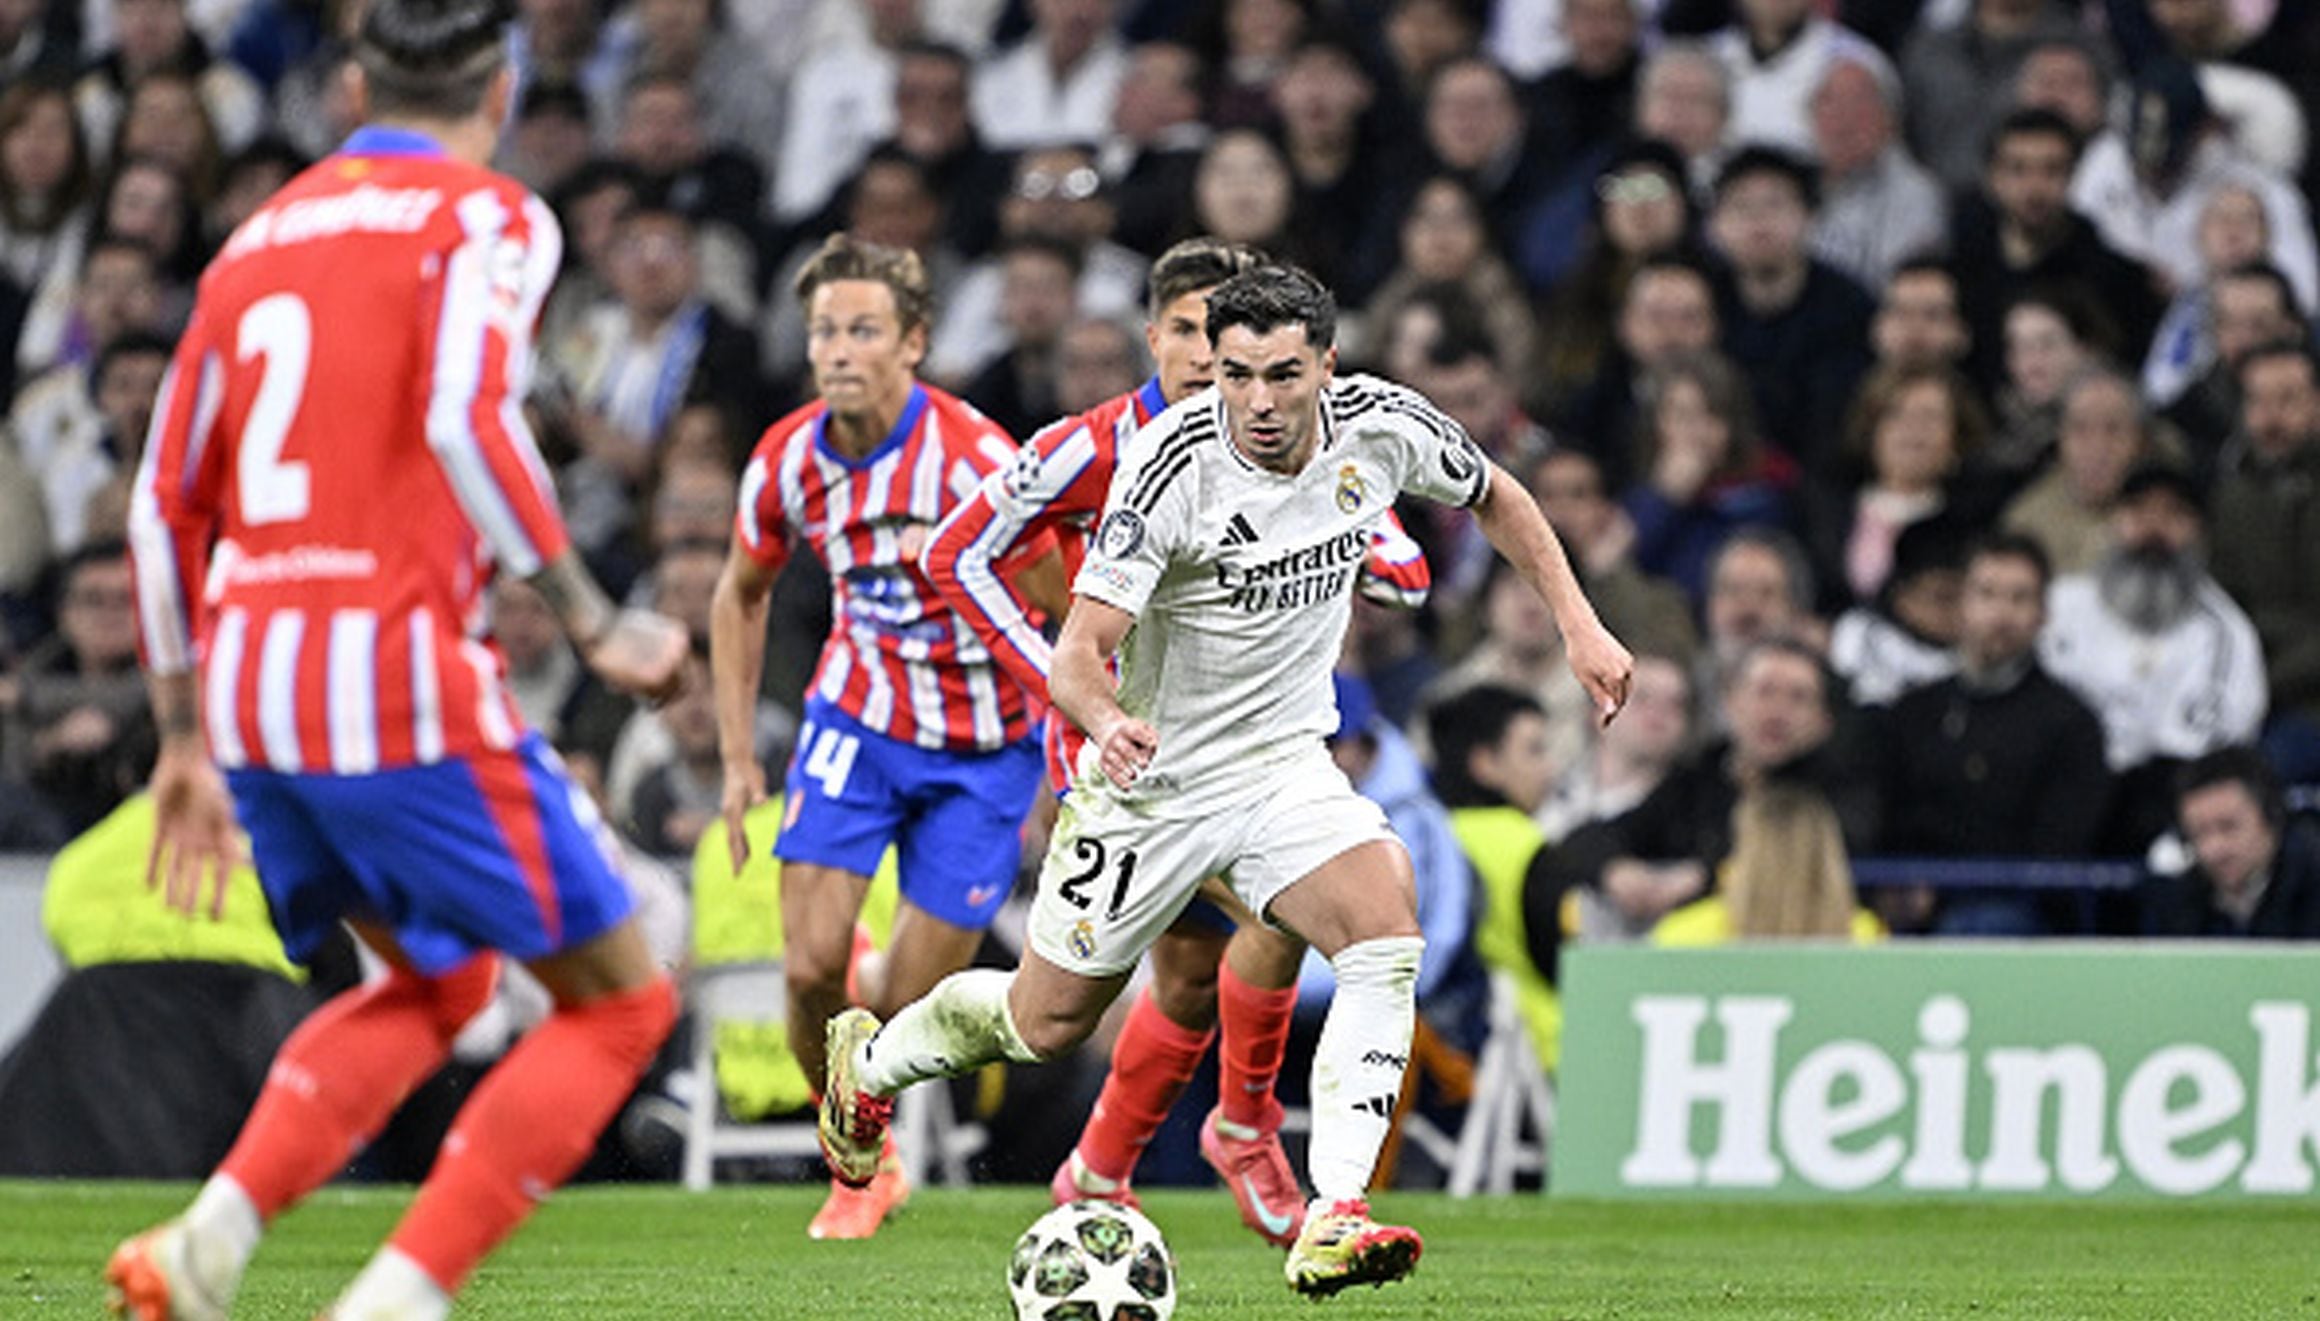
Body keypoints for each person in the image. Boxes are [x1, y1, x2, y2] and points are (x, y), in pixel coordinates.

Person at [822, 263, 1632, 1296]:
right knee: (1045, 1020)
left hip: (1285, 766)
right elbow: (1079, 651)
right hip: (1154, 785)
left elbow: (1499, 494)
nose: (1255, 400)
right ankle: (873, 1062)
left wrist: (1579, 623)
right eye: (1235, 375)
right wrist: (1107, 721)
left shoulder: (1381, 424)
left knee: (1384, 920)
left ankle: (1335, 1210)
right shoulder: (1166, 464)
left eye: (1281, 376)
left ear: (1325, 368)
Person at [107, 3, 691, 1318]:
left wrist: (181, 736)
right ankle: (395, 1302)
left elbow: (161, 506)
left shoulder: (253, 242)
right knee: (619, 1002)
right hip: (393, 680)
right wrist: (594, 617)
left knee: (441, 977)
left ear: (359, 82)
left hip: (252, 691)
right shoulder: (486, 217)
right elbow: (467, 416)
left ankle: (204, 1243)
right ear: (507, 84)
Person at [921, 237, 1428, 1247]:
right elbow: (955, 553)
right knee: (1086, 999)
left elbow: (1405, 566)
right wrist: (1069, 689)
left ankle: (1128, 1163)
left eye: (1231, 339)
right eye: (1194, 334)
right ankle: (1233, 1125)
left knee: (1221, 956)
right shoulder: (1095, 448)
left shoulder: (1295, 442)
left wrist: (1350, 544)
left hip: (1247, 748)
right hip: (1126, 755)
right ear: (1155, 337)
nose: (1211, 357)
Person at [710, 233, 1047, 1241]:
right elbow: (739, 594)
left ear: (914, 344)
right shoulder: (787, 459)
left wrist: (1072, 751)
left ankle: (873, 1059)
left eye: (863, 330)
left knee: (903, 1016)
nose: (838, 350)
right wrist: (736, 756)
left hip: (987, 748)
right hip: (857, 720)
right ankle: (862, 1163)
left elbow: (1062, 599)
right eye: (824, 330)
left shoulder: (979, 461)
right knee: (809, 970)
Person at [2042, 463, 2266, 854]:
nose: (2153, 527)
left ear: (2198, 531)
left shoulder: (2223, 634)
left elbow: (2197, 756)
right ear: (2114, 521)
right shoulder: (2061, 605)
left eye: (2174, 514)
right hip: (2050, 792)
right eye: (2138, 510)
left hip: (2153, 814)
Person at [2138, 748, 2320, 939]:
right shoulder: (2178, 905)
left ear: (2271, 818)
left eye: (2228, 827)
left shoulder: (2313, 887)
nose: (2214, 848)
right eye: (2199, 833)